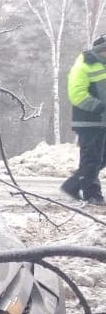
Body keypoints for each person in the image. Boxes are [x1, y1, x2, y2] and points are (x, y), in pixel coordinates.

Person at [61, 34, 106, 205]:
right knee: (92, 158)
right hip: (89, 121)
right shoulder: (84, 65)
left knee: (100, 158)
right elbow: (77, 94)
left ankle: (73, 185)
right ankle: (92, 194)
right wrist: (99, 107)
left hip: (103, 121)